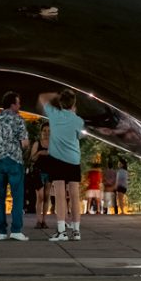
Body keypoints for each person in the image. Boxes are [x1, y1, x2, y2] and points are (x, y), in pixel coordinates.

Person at [40, 91, 88, 241]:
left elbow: (42, 97)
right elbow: (80, 136)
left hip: (57, 159)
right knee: (74, 195)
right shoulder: (78, 120)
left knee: (60, 195)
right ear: (74, 104)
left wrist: (55, 95)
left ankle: (62, 232)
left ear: (60, 102)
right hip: (74, 160)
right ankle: (76, 231)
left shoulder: (54, 114)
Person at [0, 94, 30, 242]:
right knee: (17, 196)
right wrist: (24, 149)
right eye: (18, 103)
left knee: (0, 197)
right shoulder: (18, 119)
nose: (19, 106)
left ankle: (2, 231)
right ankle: (16, 230)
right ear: (12, 105)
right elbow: (24, 143)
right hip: (13, 160)